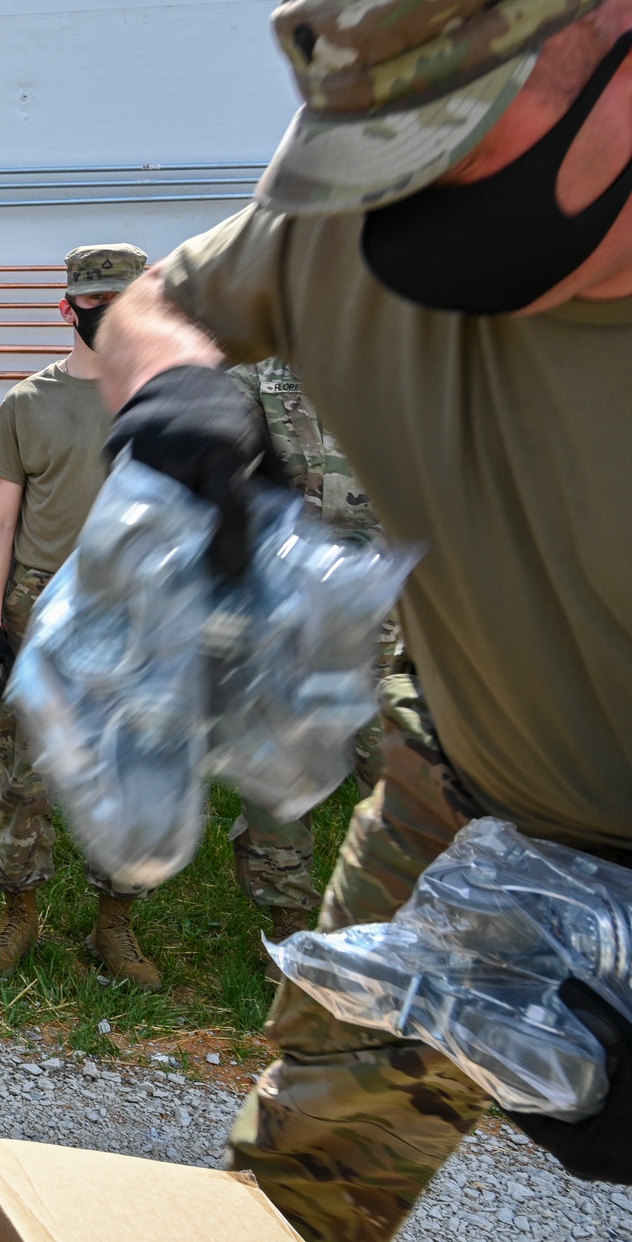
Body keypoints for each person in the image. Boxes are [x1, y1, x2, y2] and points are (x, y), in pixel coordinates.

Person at [88, 0, 632, 1233]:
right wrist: (176, 400)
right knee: (284, 1199)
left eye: (445, 152)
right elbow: (146, 305)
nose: (394, 211)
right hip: (451, 813)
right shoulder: (343, 224)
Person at [0, 244, 164, 990]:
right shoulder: (28, 402)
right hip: (41, 600)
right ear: (68, 309)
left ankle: (114, 925)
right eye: (96, 303)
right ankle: (19, 914)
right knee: (26, 772)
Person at [224, 358, 404, 975]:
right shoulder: (255, 380)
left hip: (383, 617)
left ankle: (379, 928)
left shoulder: (402, 369)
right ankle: (288, 927)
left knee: (395, 771)